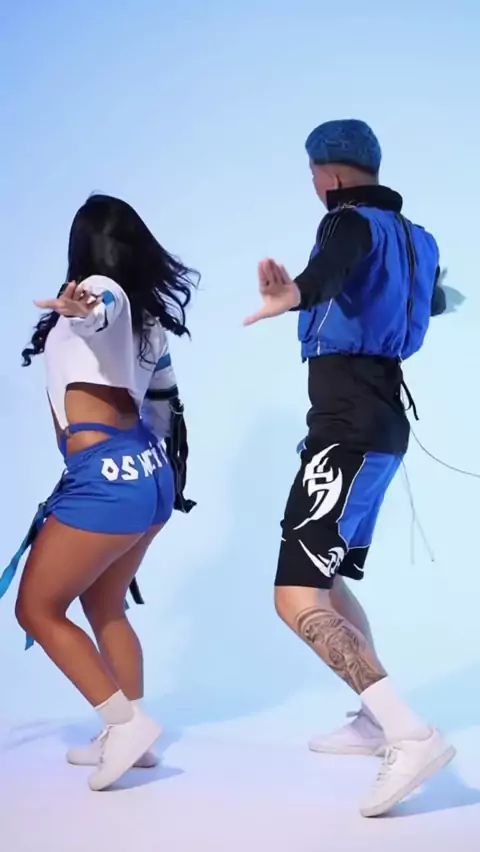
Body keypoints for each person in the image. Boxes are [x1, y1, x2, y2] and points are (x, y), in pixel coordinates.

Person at [244, 119, 453, 817]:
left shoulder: (346, 220)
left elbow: (329, 269)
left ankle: (410, 734)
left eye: (313, 175)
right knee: (327, 581)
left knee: (295, 596)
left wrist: (293, 294)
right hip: (381, 427)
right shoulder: (418, 238)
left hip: (347, 430)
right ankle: (373, 720)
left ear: (327, 175)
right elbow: (430, 299)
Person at [1, 194, 198, 791]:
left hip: (107, 478)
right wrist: (151, 474)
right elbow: (163, 407)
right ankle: (133, 735)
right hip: (150, 473)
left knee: (36, 609)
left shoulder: (100, 295)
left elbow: (100, 306)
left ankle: (124, 726)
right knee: (104, 604)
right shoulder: (150, 320)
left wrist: (83, 305)